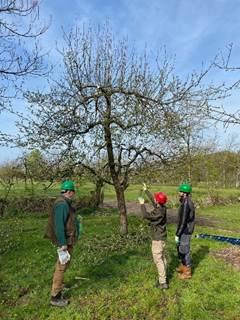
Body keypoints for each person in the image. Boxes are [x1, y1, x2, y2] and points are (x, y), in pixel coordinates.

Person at [45, 180, 80, 307]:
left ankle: (59, 285)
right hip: (65, 240)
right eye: (73, 192)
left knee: (65, 263)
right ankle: (55, 297)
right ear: (70, 192)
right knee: (61, 266)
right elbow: (59, 225)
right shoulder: (62, 205)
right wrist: (62, 243)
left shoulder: (64, 202)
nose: (74, 194)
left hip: (67, 239)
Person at [138, 183, 168, 289]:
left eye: (156, 199)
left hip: (158, 239)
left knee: (158, 260)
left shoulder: (158, 213)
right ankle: (163, 277)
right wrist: (146, 191)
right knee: (162, 258)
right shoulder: (162, 207)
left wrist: (142, 204)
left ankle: (163, 282)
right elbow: (153, 200)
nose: (154, 200)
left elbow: (146, 215)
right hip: (162, 237)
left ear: (158, 202)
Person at [175, 183, 195, 280]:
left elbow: (183, 220)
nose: (179, 192)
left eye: (180, 191)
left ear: (185, 193)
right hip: (184, 228)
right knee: (180, 248)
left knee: (185, 250)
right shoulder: (184, 201)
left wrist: (178, 233)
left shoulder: (187, 203)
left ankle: (187, 272)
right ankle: (183, 267)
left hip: (185, 229)